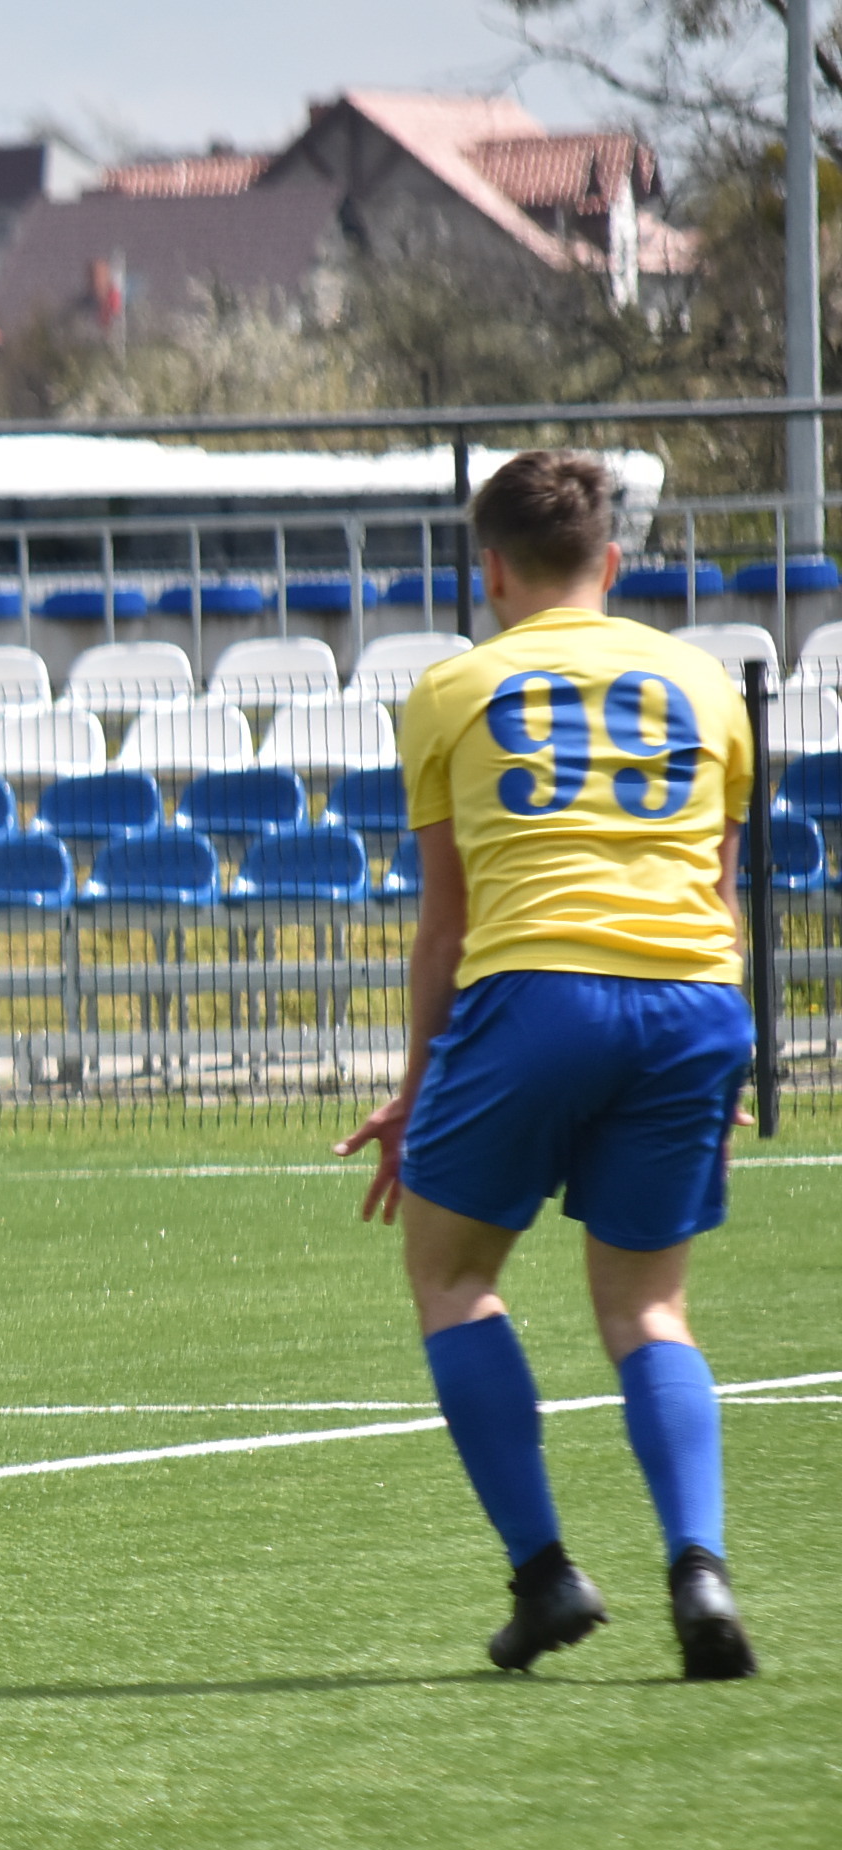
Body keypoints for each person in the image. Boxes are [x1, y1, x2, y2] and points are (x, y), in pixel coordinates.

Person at [337, 449, 759, 1680]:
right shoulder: (704, 681)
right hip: (695, 1001)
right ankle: (701, 1566)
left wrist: (417, 1088)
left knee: (453, 1274)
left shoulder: (451, 688)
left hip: (536, 993)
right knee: (648, 1304)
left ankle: (544, 1572)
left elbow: (445, 925)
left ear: (491, 569)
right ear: (612, 563)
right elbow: (719, 893)